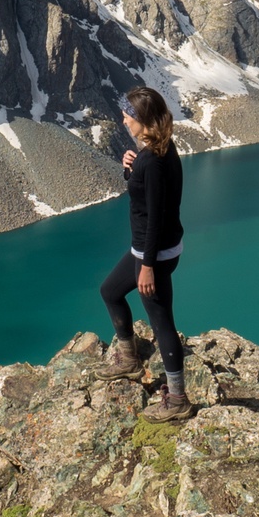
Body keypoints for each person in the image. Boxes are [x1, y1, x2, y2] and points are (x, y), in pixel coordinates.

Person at [101, 85, 190, 420]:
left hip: (153, 253)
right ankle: (129, 358)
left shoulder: (152, 161)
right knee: (110, 291)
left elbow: (155, 216)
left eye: (128, 115)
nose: (123, 120)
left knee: (161, 320)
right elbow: (147, 193)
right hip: (154, 250)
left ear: (142, 119)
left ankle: (178, 399)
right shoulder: (157, 151)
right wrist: (130, 167)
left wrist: (147, 267)